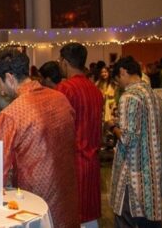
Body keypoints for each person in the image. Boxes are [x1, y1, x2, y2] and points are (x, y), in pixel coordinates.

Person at [0, 50, 79, 228]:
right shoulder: (61, 99)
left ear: (9, 78)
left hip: (34, 204)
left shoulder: (10, 115)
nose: (0, 91)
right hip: (67, 198)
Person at [109, 56, 162, 228]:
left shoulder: (129, 96)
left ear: (123, 72)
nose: (118, 84)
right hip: (153, 170)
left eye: (117, 80)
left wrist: (112, 127)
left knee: (126, 218)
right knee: (149, 219)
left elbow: (128, 138)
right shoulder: (153, 94)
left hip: (132, 173)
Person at [56, 43, 103, 228]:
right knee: (90, 216)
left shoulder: (65, 88)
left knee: (73, 216)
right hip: (92, 162)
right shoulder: (95, 90)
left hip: (72, 163)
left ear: (65, 62)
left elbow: (58, 128)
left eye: (60, 61)